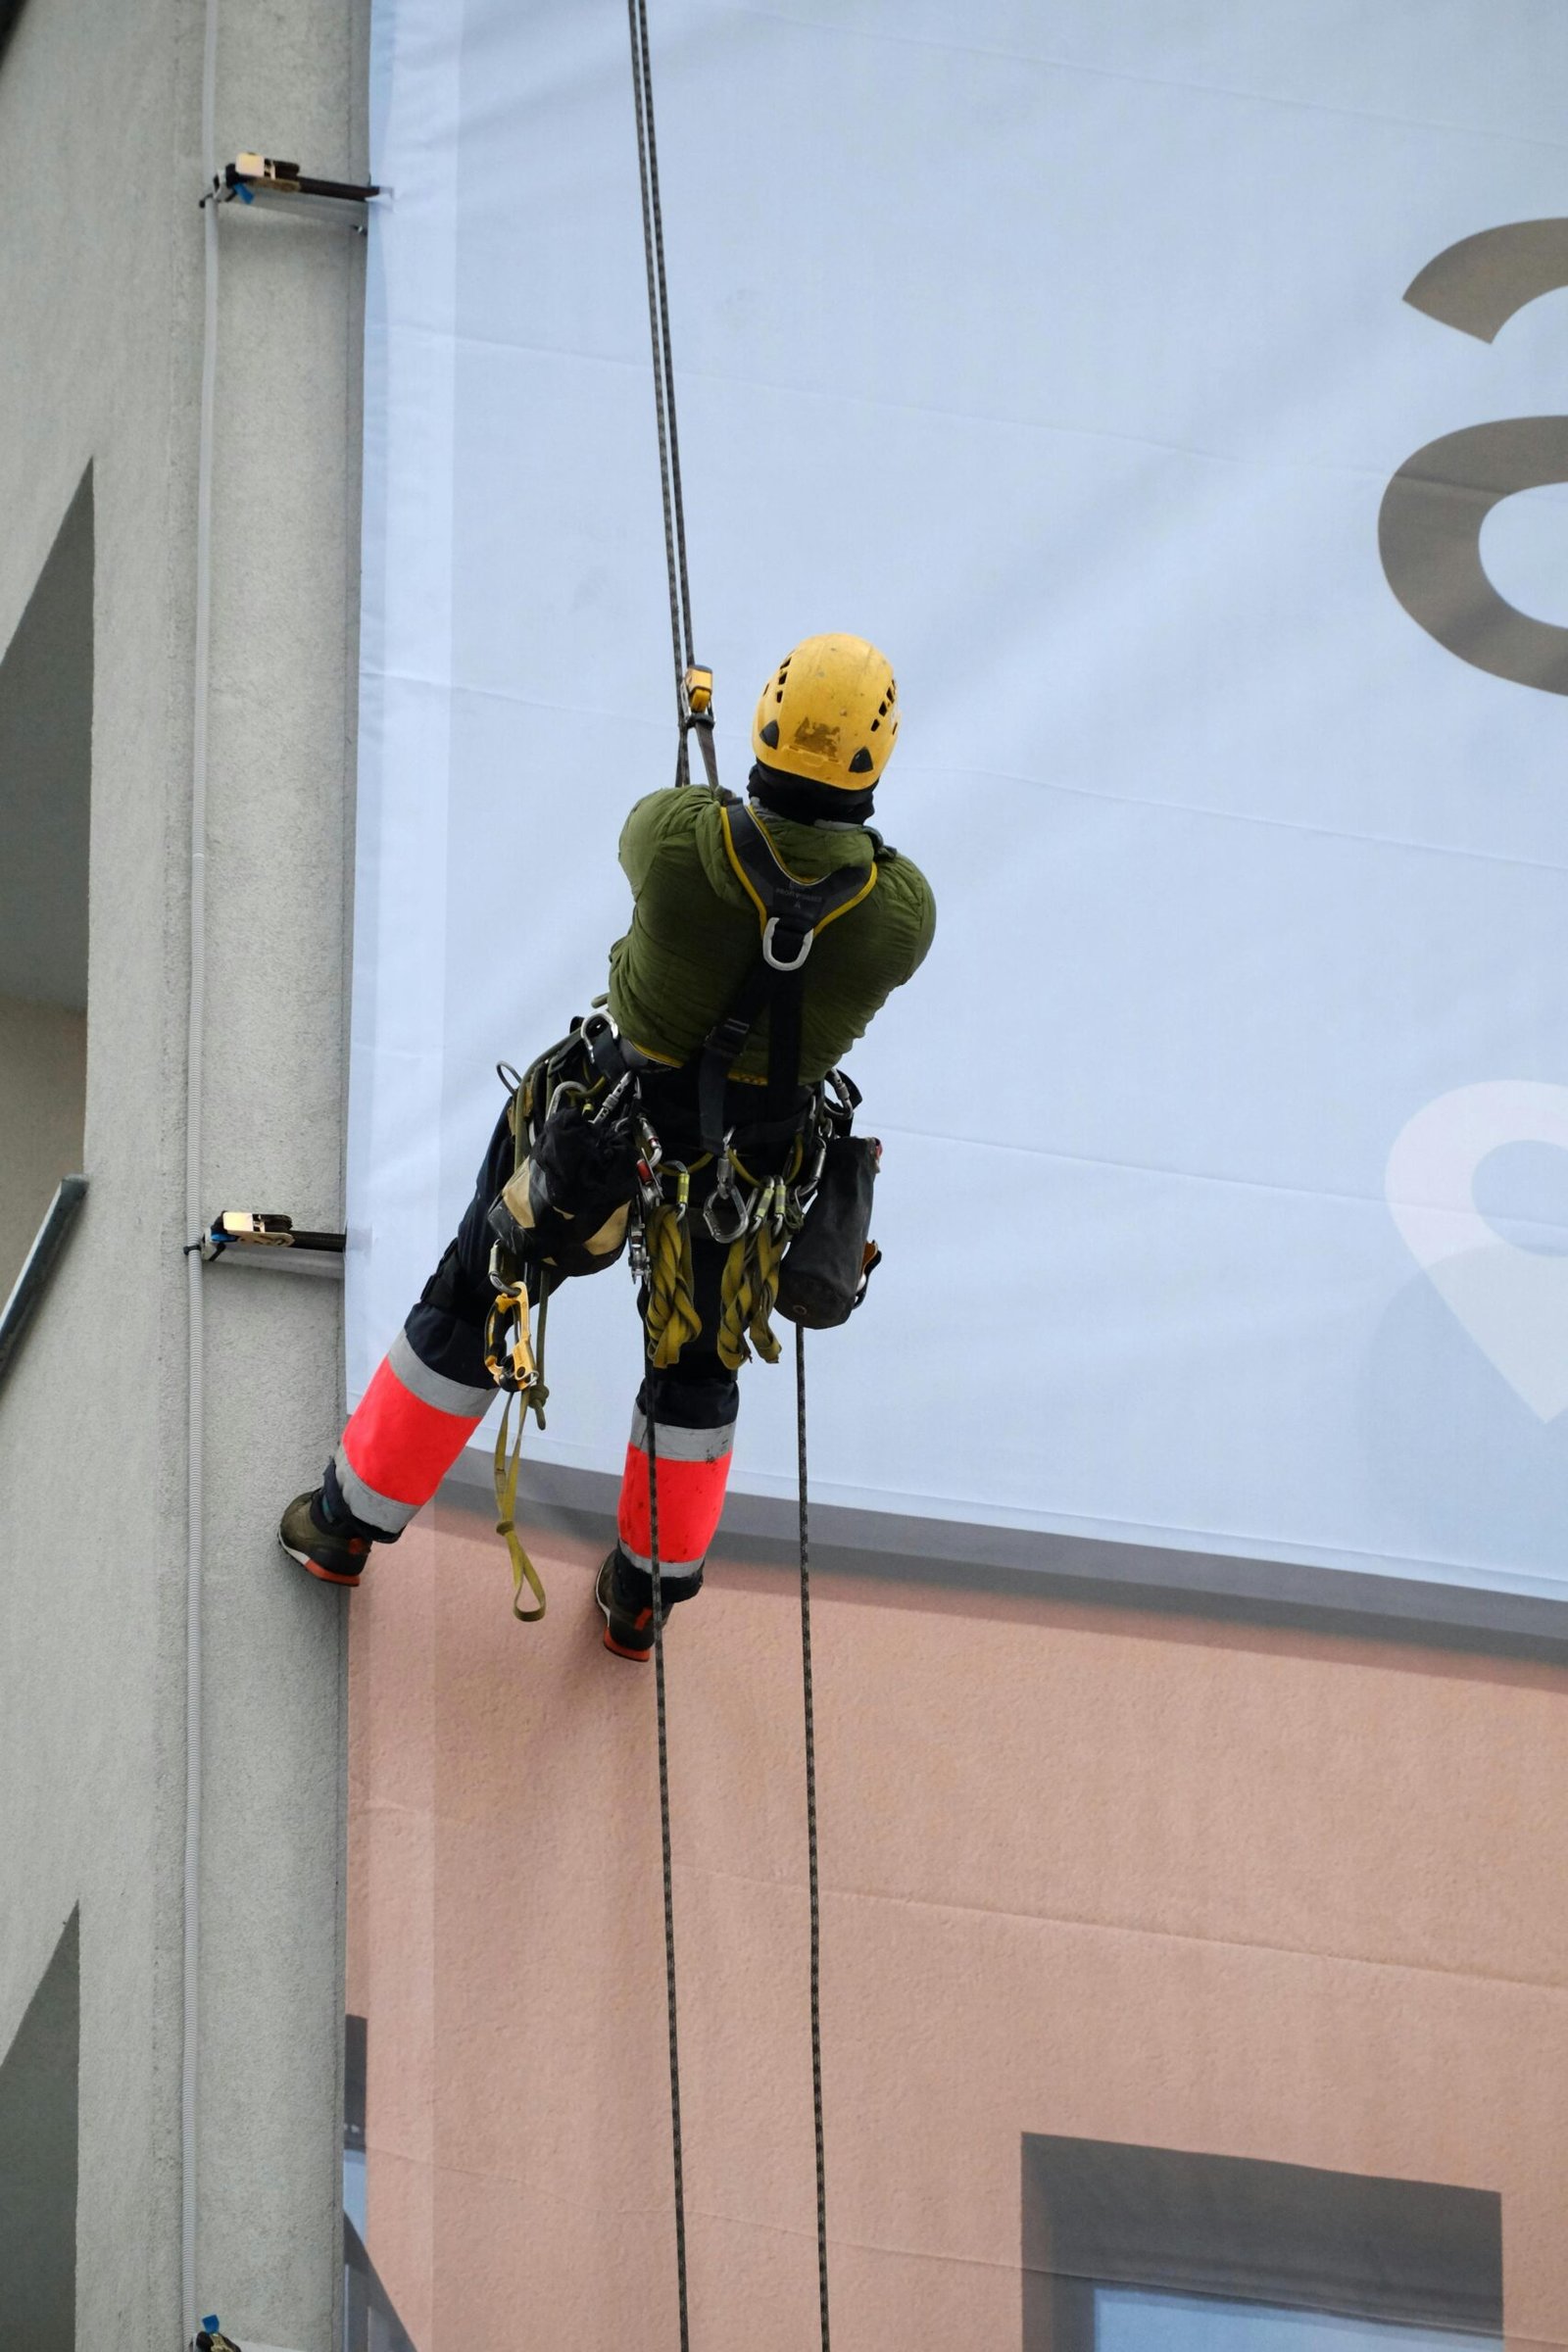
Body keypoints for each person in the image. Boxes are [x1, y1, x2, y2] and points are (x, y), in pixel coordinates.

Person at [279, 633, 936, 1655]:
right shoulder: (899, 914)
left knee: (476, 1295)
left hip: (604, 1125)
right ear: (877, 758)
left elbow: (674, 848)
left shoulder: (679, 842)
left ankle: (343, 1524)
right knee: (698, 1375)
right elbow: (834, 886)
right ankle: (645, 1596)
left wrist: (733, 821)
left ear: (762, 720)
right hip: (751, 1175)